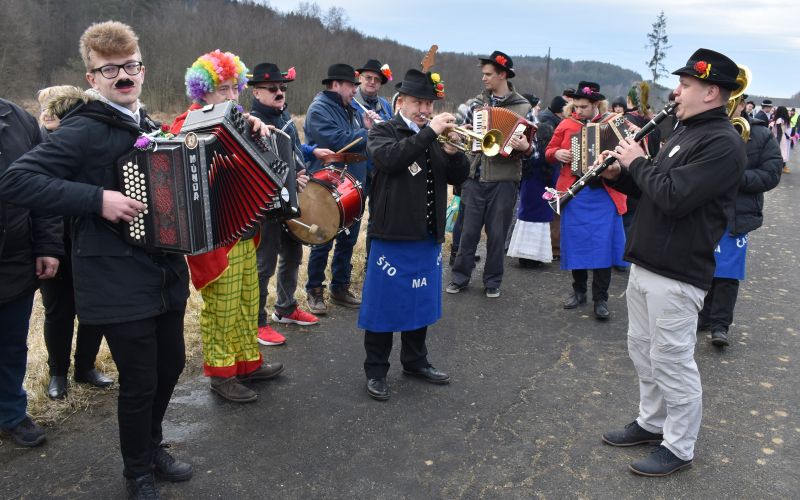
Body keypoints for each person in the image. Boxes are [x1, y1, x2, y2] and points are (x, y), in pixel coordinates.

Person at [0, 21, 195, 498]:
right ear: (92, 78)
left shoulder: (146, 124)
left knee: (171, 365)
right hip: (110, 274)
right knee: (140, 379)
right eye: (110, 70)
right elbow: (15, 182)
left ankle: (152, 448)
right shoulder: (83, 129)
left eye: (130, 67)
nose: (122, 76)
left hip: (163, 270)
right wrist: (97, 198)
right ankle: (137, 473)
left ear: (143, 71)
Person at [599, 48, 747, 476]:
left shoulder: (723, 144)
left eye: (685, 85)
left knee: (671, 358)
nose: (675, 91)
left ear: (711, 92)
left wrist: (637, 161)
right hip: (648, 260)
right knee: (642, 350)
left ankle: (680, 446)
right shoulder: (684, 130)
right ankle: (652, 422)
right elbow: (654, 186)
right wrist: (620, 174)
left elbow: (675, 197)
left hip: (679, 270)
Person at [171, 50, 284, 403]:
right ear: (201, 91)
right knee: (222, 308)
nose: (232, 97)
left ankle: (247, 362)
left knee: (250, 301)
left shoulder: (240, 119)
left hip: (245, 231)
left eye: (235, 89)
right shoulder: (183, 125)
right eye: (223, 90)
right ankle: (221, 374)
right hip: (214, 237)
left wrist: (257, 130)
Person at [361, 68, 469, 400]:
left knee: (419, 301)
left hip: (427, 234)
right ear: (401, 102)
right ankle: (376, 370)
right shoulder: (384, 131)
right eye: (417, 103)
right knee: (384, 305)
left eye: (428, 104)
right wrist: (430, 133)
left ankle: (415, 361)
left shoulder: (434, 136)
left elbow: (458, 178)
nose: (424, 110)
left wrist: (454, 154)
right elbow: (389, 160)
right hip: (392, 235)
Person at [35, 86, 112, 400]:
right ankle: (57, 374)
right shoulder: (38, 144)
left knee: (94, 309)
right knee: (58, 311)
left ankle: (85, 367)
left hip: (91, 238)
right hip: (54, 242)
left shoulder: (88, 140)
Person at [247, 62, 328, 344]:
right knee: (264, 263)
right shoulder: (250, 121)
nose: (280, 92)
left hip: (289, 202)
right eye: (272, 89)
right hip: (265, 206)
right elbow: (260, 166)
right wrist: (290, 180)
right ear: (257, 92)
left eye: (282, 87)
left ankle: (285, 308)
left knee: (293, 254)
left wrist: (301, 171)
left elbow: (292, 153)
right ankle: (256, 322)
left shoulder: (284, 117)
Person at [446, 50, 534, 298]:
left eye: (488, 74)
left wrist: (526, 147)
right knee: (467, 233)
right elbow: (458, 133)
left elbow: (535, 150)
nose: (484, 78)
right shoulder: (474, 104)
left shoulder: (524, 107)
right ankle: (459, 277)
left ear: (502, 75)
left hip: (505, 181)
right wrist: (459, 133)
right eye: (483, 74)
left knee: (497, 235)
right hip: (474, 176)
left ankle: (493, 281)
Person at [0, 98, 61, 448]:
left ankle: (11, 415)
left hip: (15, 260)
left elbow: (43, 189)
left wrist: (48, 246)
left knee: (10, 345)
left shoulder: (19, 120)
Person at [698, 106, 783, 347]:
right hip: (704, 212)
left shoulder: (760, 134)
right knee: (703, 268)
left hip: (736, 214)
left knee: (727, 272)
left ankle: (719, 325)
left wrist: (735, 177)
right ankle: (703, 316)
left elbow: (771, 174)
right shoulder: (702, 127)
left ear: (742, 103)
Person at [545, 82, 627, 320]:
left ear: (595, 105)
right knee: (577, 244)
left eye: (583, 107)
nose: (578, 111)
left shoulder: (614, 122)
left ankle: (601, 299)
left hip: (604, 195)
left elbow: (633, 150)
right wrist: (558, 154)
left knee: (604, 247)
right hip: (576, 194)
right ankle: (578, 291)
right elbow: (550, 151)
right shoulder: (566, 124)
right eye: (576, 106)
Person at [303, 63, 371, 313]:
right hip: (326, 184)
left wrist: (363, 126)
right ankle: (314, 290)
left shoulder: (350, 108)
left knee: (348, 237)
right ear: (336, 85)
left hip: (351, 182)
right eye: (351, 85)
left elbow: (354, 138)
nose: (356, 90)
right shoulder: (319, 108)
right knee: (323, 237)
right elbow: (340, 141)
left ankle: (340, 287)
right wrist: (367, 131)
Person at [770, 105, 792, 174]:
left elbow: (781, 131)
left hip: (779, 137)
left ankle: (780, 167)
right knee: (781, 153)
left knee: (781, 153)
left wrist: (787, 137)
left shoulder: (780, 119)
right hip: (780, 138)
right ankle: (780, 167)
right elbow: (780, 132)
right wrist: (778, 141)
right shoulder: (781, 120)